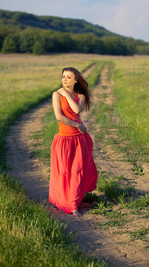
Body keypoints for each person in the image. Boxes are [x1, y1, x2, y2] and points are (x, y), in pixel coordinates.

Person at [49, 67, 98, 217]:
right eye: (63, 76)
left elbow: (76, 110)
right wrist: (78, 125)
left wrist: (67, 95)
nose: (64, 79)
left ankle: (73, 204)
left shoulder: (80, 96)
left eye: (69, 77)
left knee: (77, 172)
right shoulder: (56, 95)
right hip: (63, 139)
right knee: (64, 172)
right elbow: (59, 117)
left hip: (80, 139)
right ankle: (63, 199)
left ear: (76, 80)